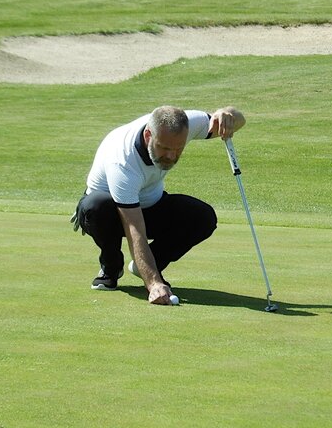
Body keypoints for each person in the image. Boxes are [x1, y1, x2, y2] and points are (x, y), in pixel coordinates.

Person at [71, 105, 245, 305]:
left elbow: (239, 121)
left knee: (203, 217)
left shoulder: (186, 124)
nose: (171, 156)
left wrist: (228, 115)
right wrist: (153, 283)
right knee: (96, 207)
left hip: (151, 204)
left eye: (178, 149)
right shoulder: (123, 162)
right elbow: (134, 228)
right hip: (108, 214)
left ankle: (146, 265)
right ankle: (111, 265)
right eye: (164, 148)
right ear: (148, 136)